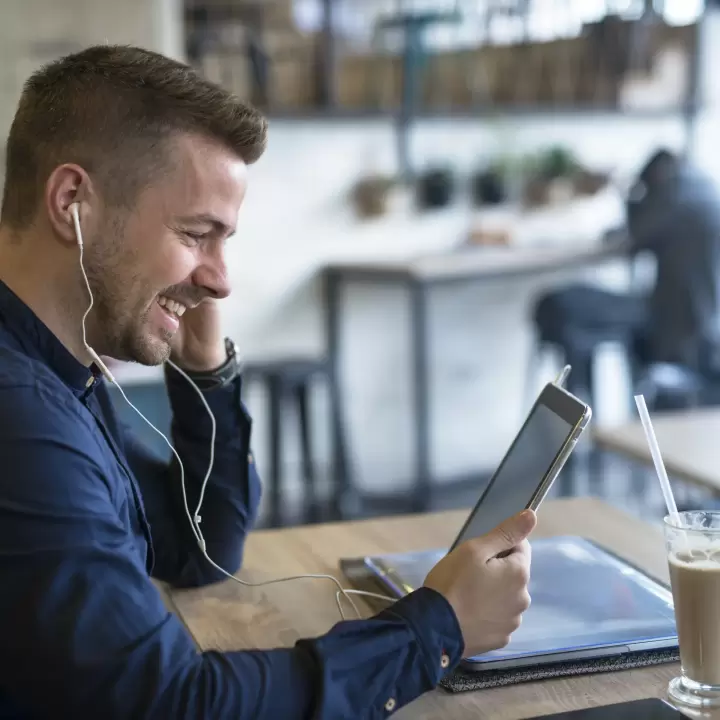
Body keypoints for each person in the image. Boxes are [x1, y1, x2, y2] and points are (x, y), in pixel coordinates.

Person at [0, 45, 536, 718]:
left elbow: (201, 549)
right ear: (72, 201)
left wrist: (206, 366)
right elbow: (172, 705)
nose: (221, 278)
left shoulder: (60, 371)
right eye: (198, 233)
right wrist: (436, 628)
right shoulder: (21, 418)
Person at [532, 148, 720, 400]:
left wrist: (630, 194)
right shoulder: (704, 189)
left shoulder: (673, 194)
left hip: (671, 317)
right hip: (702, 315)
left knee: (561, 307)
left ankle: (581, 407)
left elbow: (632, 237)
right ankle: (586, 412)